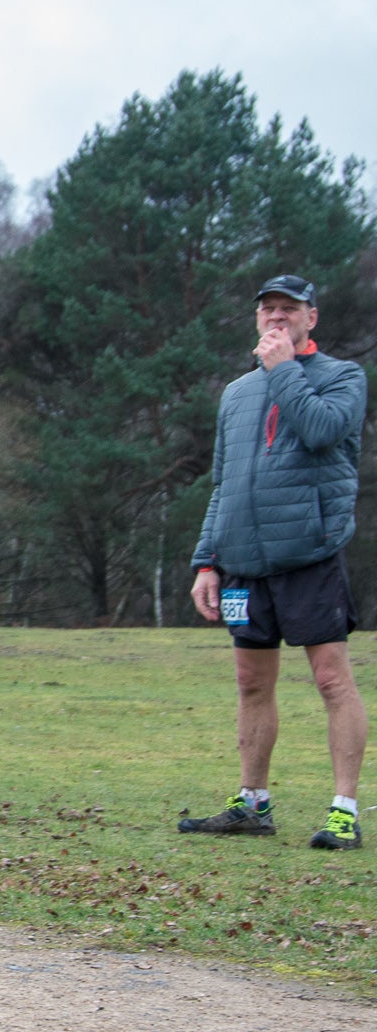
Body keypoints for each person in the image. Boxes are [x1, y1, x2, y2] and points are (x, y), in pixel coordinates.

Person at [182, 274, 366, 851]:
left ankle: (344, 812)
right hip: (242, 563)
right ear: (256, 319)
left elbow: (321, 431)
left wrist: (284, 369)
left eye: (289, 310)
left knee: (332, 679)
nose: (276, 319)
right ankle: (252, 804)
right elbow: (223, 482)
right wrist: (207, 560)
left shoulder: (343, 377)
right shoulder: (236, 393)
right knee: (250, 683)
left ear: (312, 317)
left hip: (308, 554)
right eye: (268, 311)